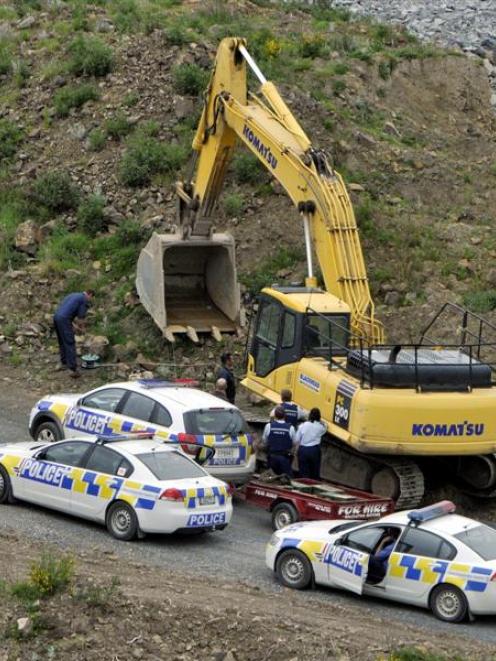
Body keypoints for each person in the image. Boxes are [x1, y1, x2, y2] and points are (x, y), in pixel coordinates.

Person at [53, 290, 94, 378]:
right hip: (64, 319)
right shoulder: (84, 299)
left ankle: (64, 363)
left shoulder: (73, 295)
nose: (90, 300)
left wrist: (72, 325)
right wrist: (82, 329)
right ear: (89, 295)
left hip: (57, 317)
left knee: (62, 341)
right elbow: (81, 318)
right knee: (70, 342)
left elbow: (65, 310)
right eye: (91, 298)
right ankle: (72, 369)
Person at [262, 405, 296, 476]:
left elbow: (264, 441)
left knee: (270, 480)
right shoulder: (291, 428)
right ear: (285, 416)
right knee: (286, 480)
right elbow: (294, 443)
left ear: (275, 416)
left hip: (272, 458)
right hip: (285, 460)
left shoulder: (269, 426)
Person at [295, 407, 326, 479]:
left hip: (303, 450)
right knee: (314, 473)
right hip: (314, 450)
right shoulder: (320, 427)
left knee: (303, 473)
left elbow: (296, 439)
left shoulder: (302, 426)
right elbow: (325, 427)